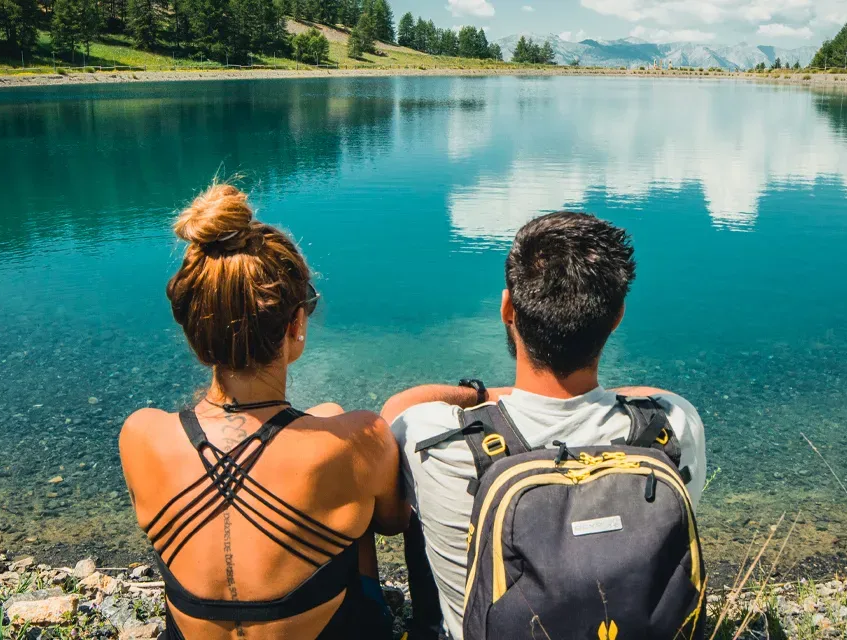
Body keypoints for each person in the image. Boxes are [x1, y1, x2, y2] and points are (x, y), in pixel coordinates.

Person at [382, 211, 708, 640]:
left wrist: (484, 396)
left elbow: (398, 405)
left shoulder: (431, 436)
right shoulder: (672, 426)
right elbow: (648, 391)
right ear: (617, 317)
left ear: (506, 309)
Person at [120, 184, 407, 640]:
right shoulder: (362, 439)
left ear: (195, 332)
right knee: (349, 493)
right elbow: (394, 520)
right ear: (295, 324)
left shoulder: (140, 435)